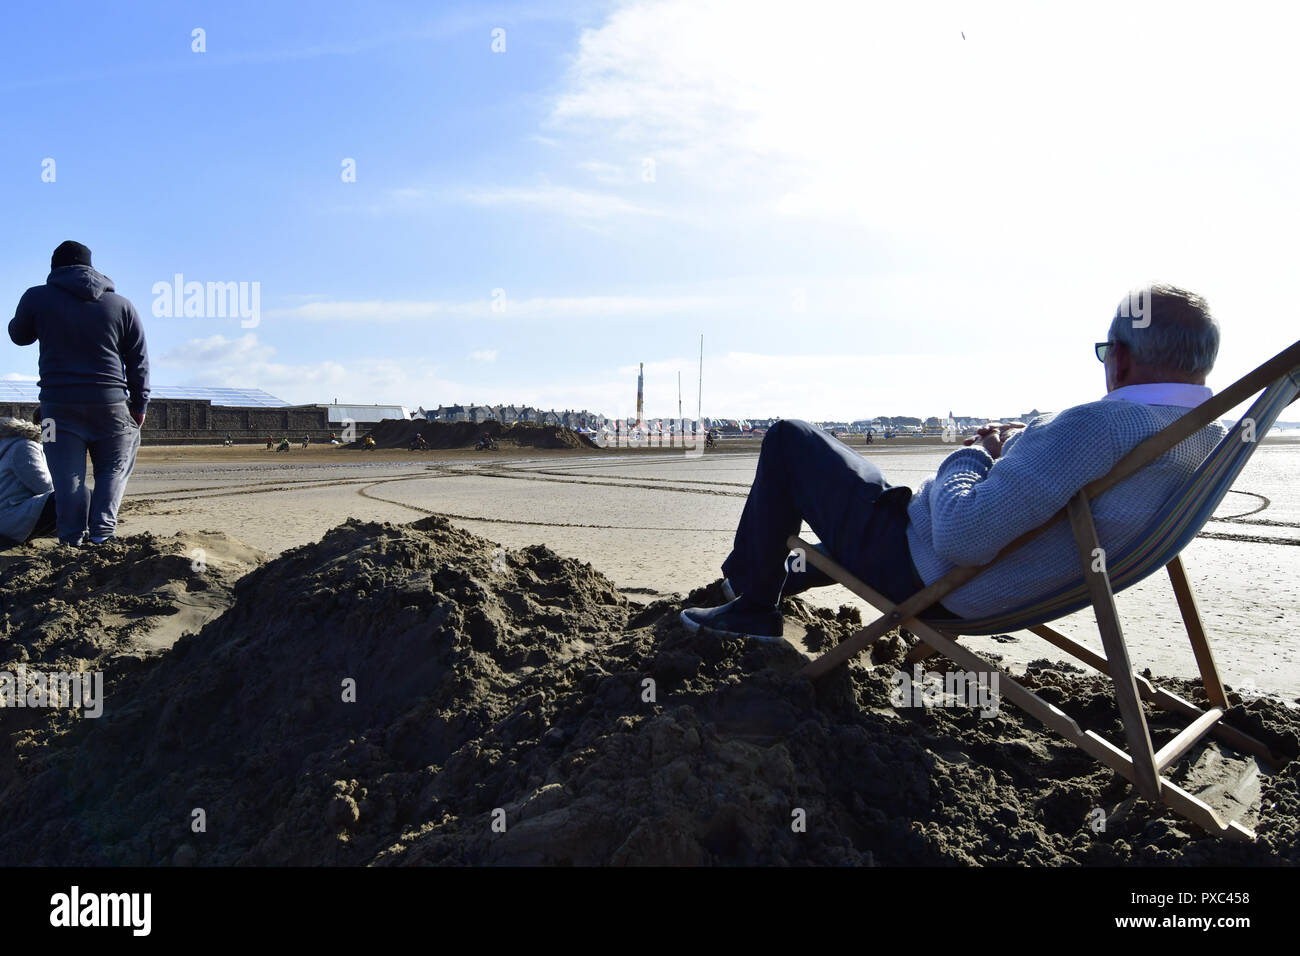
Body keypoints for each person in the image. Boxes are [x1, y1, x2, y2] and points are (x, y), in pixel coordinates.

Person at [681, 285, 1228, 640]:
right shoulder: (1205, 438)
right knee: (872, 494)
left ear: (1124, 358)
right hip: (995, 581)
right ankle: (758, 580)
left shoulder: (1102, 425)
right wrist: (1014, 453)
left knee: (790, 440)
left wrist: (972, 455)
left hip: (934, 578)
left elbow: (964, 533)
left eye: (1106, 353)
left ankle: (751, 604)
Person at [8, 241, 148, 546]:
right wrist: (139, 405)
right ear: (92, 268)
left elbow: (19, 336)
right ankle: (102, 534)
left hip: (56, 409)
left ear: (54, 269)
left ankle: (71, 541)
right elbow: (138, 360)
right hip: (110, 402)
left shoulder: (36, 297)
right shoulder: (122, 305)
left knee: (66, 476)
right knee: (113, 469)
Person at [0, 412, 57, 544]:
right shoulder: (25, 447)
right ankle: (83, 534)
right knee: (76, 496)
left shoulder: (10, 443)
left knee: (76, 495)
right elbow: (44, 486)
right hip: (11, 519)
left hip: (9, 514)